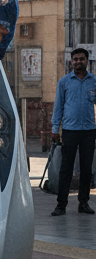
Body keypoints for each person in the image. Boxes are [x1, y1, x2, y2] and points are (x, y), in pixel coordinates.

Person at [50, 47, 96, 217]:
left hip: (89, 131)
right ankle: (61, 205)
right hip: (70, 131)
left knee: (86, 169)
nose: (78, 62)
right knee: (66, 169)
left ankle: (83, 203)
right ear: (72, 62)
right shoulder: (64, 82)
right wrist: (55, 129)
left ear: (87, 61)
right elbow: (58, 107)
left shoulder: (94, 82)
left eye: (81, 59)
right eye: (75, 59)